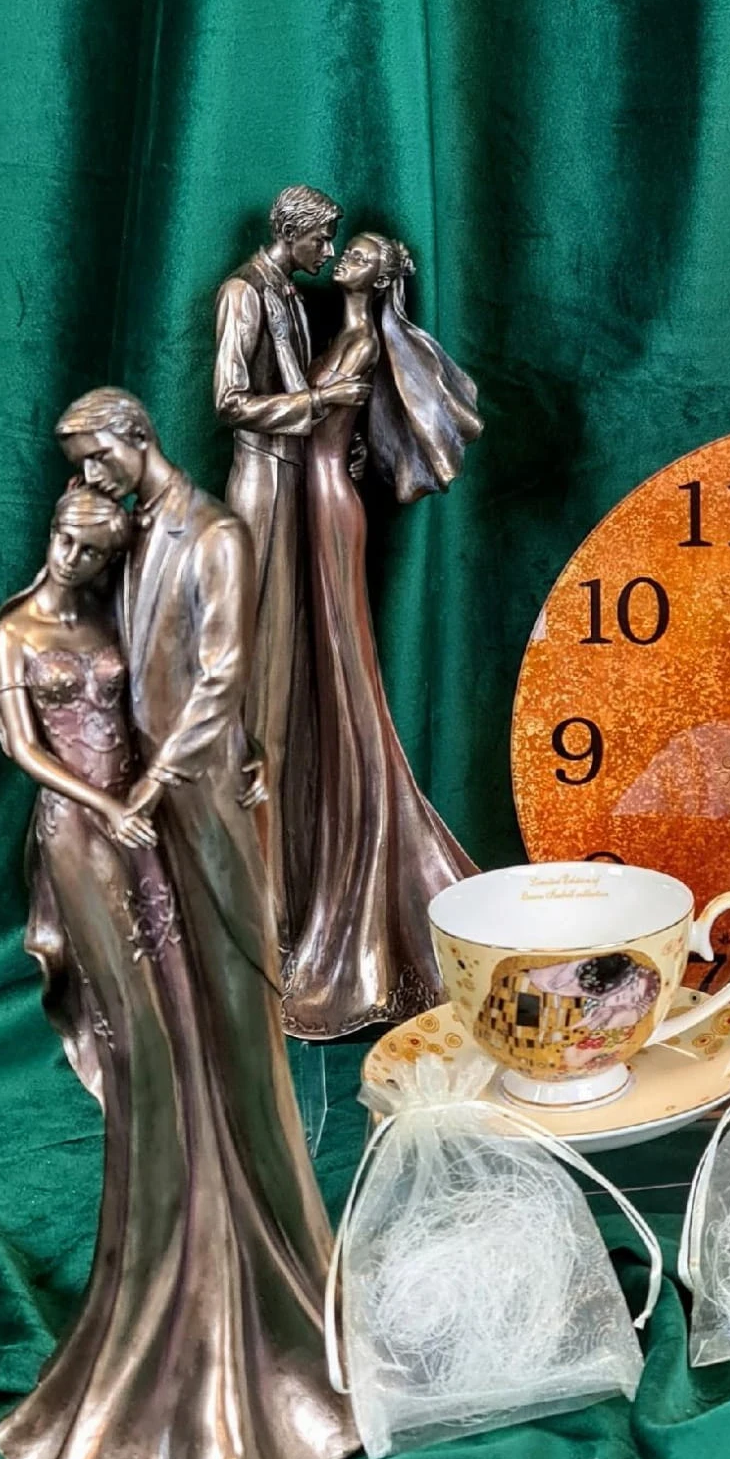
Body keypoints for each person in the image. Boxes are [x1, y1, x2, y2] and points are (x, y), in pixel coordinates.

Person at [0, 437, 354, 1459]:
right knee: (144, 1044)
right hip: (87, 838)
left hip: (149, 837)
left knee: (190, 1030)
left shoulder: (133, 594)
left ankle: (225, 1257)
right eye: (67, 543)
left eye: (89, 550)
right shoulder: (17, 634)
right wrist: (113, 807)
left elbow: (186, 681)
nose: (75, 560)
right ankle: (156, 1296)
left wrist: (228, 761)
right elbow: (25, 749)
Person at [279, 232, 480, 1036]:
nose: (345, 260)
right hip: (318, 495)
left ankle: (371, 892)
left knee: (346, 671)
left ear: (380, 276)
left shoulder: (360, 340)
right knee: (332, 667)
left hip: (328, 500)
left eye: (359, 256)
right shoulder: (348, 333)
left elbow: (312, 417)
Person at [213, 183, 354, 941]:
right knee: (258, 677)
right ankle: (250, 902)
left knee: (290, 673)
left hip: (297, 482)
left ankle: (289, 889)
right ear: (290, 233)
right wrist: (317, 405)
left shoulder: (293, 298)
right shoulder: (243, 292)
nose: (328, 253)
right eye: (320, 240)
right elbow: (230, 400)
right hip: (261, 487)